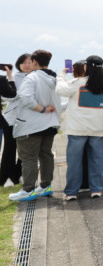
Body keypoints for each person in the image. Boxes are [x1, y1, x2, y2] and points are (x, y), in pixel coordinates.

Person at [57, 56, 103, 200]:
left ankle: (71, 192)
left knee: (74, 162)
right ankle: (96, 189)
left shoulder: (78, 83)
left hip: (77, 129)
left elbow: (60, 90)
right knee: (97, 161)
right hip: (99, 129)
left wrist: (61, 75)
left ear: (86, 67)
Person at [9, 49, 61, 201]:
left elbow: (26, 98)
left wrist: (42, 109)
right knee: (46, 155)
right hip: (50, 125)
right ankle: (45, 186)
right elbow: (60, 102)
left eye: (30, 61)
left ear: (35, 62)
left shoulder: (32, 77)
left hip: (31, 125)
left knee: (29, 158)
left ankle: (28, 190)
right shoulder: (54, 78)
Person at [0, 54, 31, 185]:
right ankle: (5, 177)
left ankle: (18, 174)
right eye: (24, 62)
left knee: (26, 149)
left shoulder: (36, 77)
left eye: (30, 62)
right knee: (9, 148)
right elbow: (8, 96)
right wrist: (21, 95)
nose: (27, 65)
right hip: (11, 118)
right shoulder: (12, 77)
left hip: (29, 119)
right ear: (19, 64)